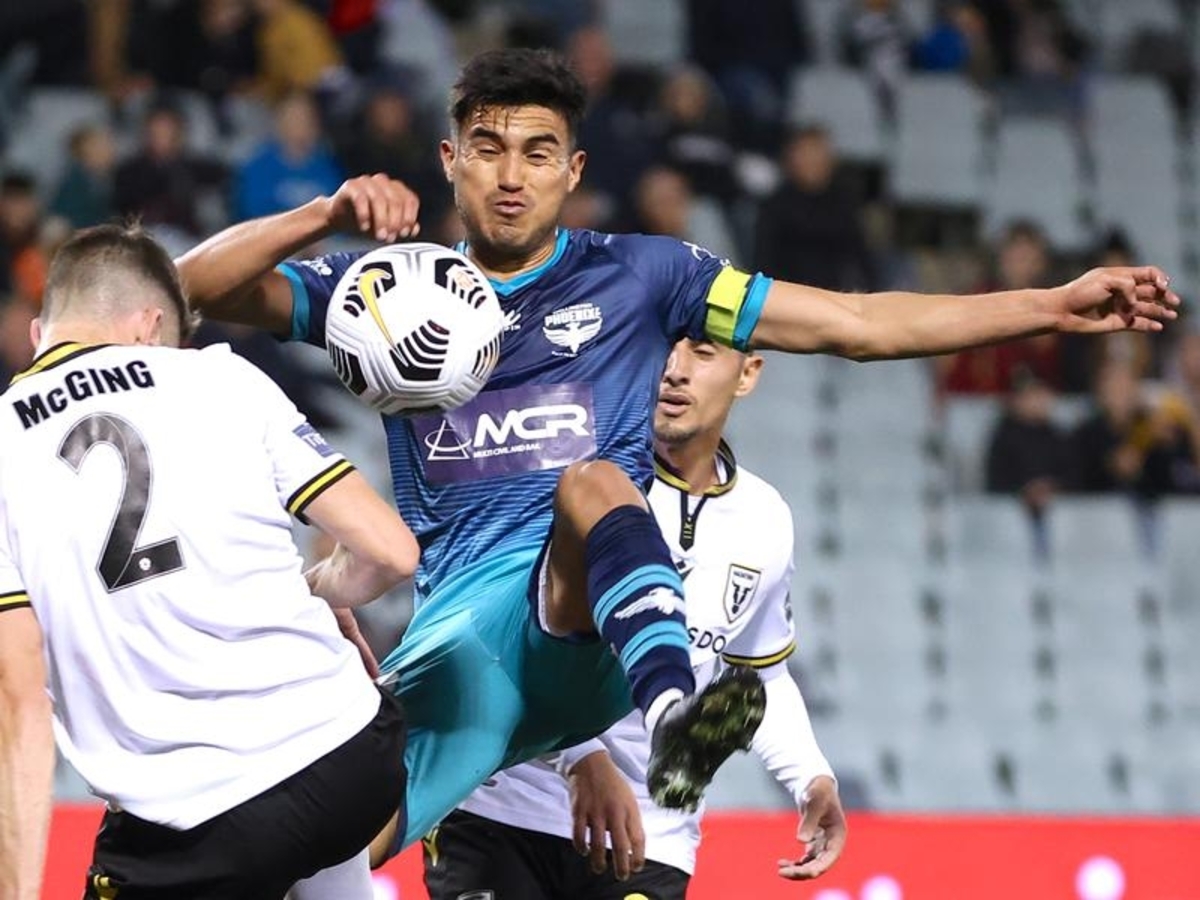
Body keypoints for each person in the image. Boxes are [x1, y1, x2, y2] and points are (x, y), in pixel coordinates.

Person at [176, 47, 1177, 878]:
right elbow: (187, 290)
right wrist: (322, 217)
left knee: (592, 484)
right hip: (463, 648)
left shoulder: (647, 275)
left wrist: (1049, 305)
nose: (512, 175)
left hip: (580, 625)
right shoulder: (385, 295)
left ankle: (670, 705)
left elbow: (856, 324)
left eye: (538, 152)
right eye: (488, 149)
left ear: (573, 169)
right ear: (450, 160)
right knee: (291, 862)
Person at [0, 224, 419, 900]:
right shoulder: (223, 375)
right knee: (313, 833)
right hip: (354, 761)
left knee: (239, 842)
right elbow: (393, 552)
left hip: (200, 824)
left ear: (38, 334)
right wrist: (314, 591)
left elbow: (17, 701)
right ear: (150, 326)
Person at [424, 337, 847, 899]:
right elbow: (487, 634)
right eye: (663, 347)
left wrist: (812, 779)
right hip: (502, 805)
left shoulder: (765, 518)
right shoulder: (562, 470)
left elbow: (758, 674)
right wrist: (581, 757)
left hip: (649, 839)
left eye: (702, 353)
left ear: (747, 374)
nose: (674, 370)